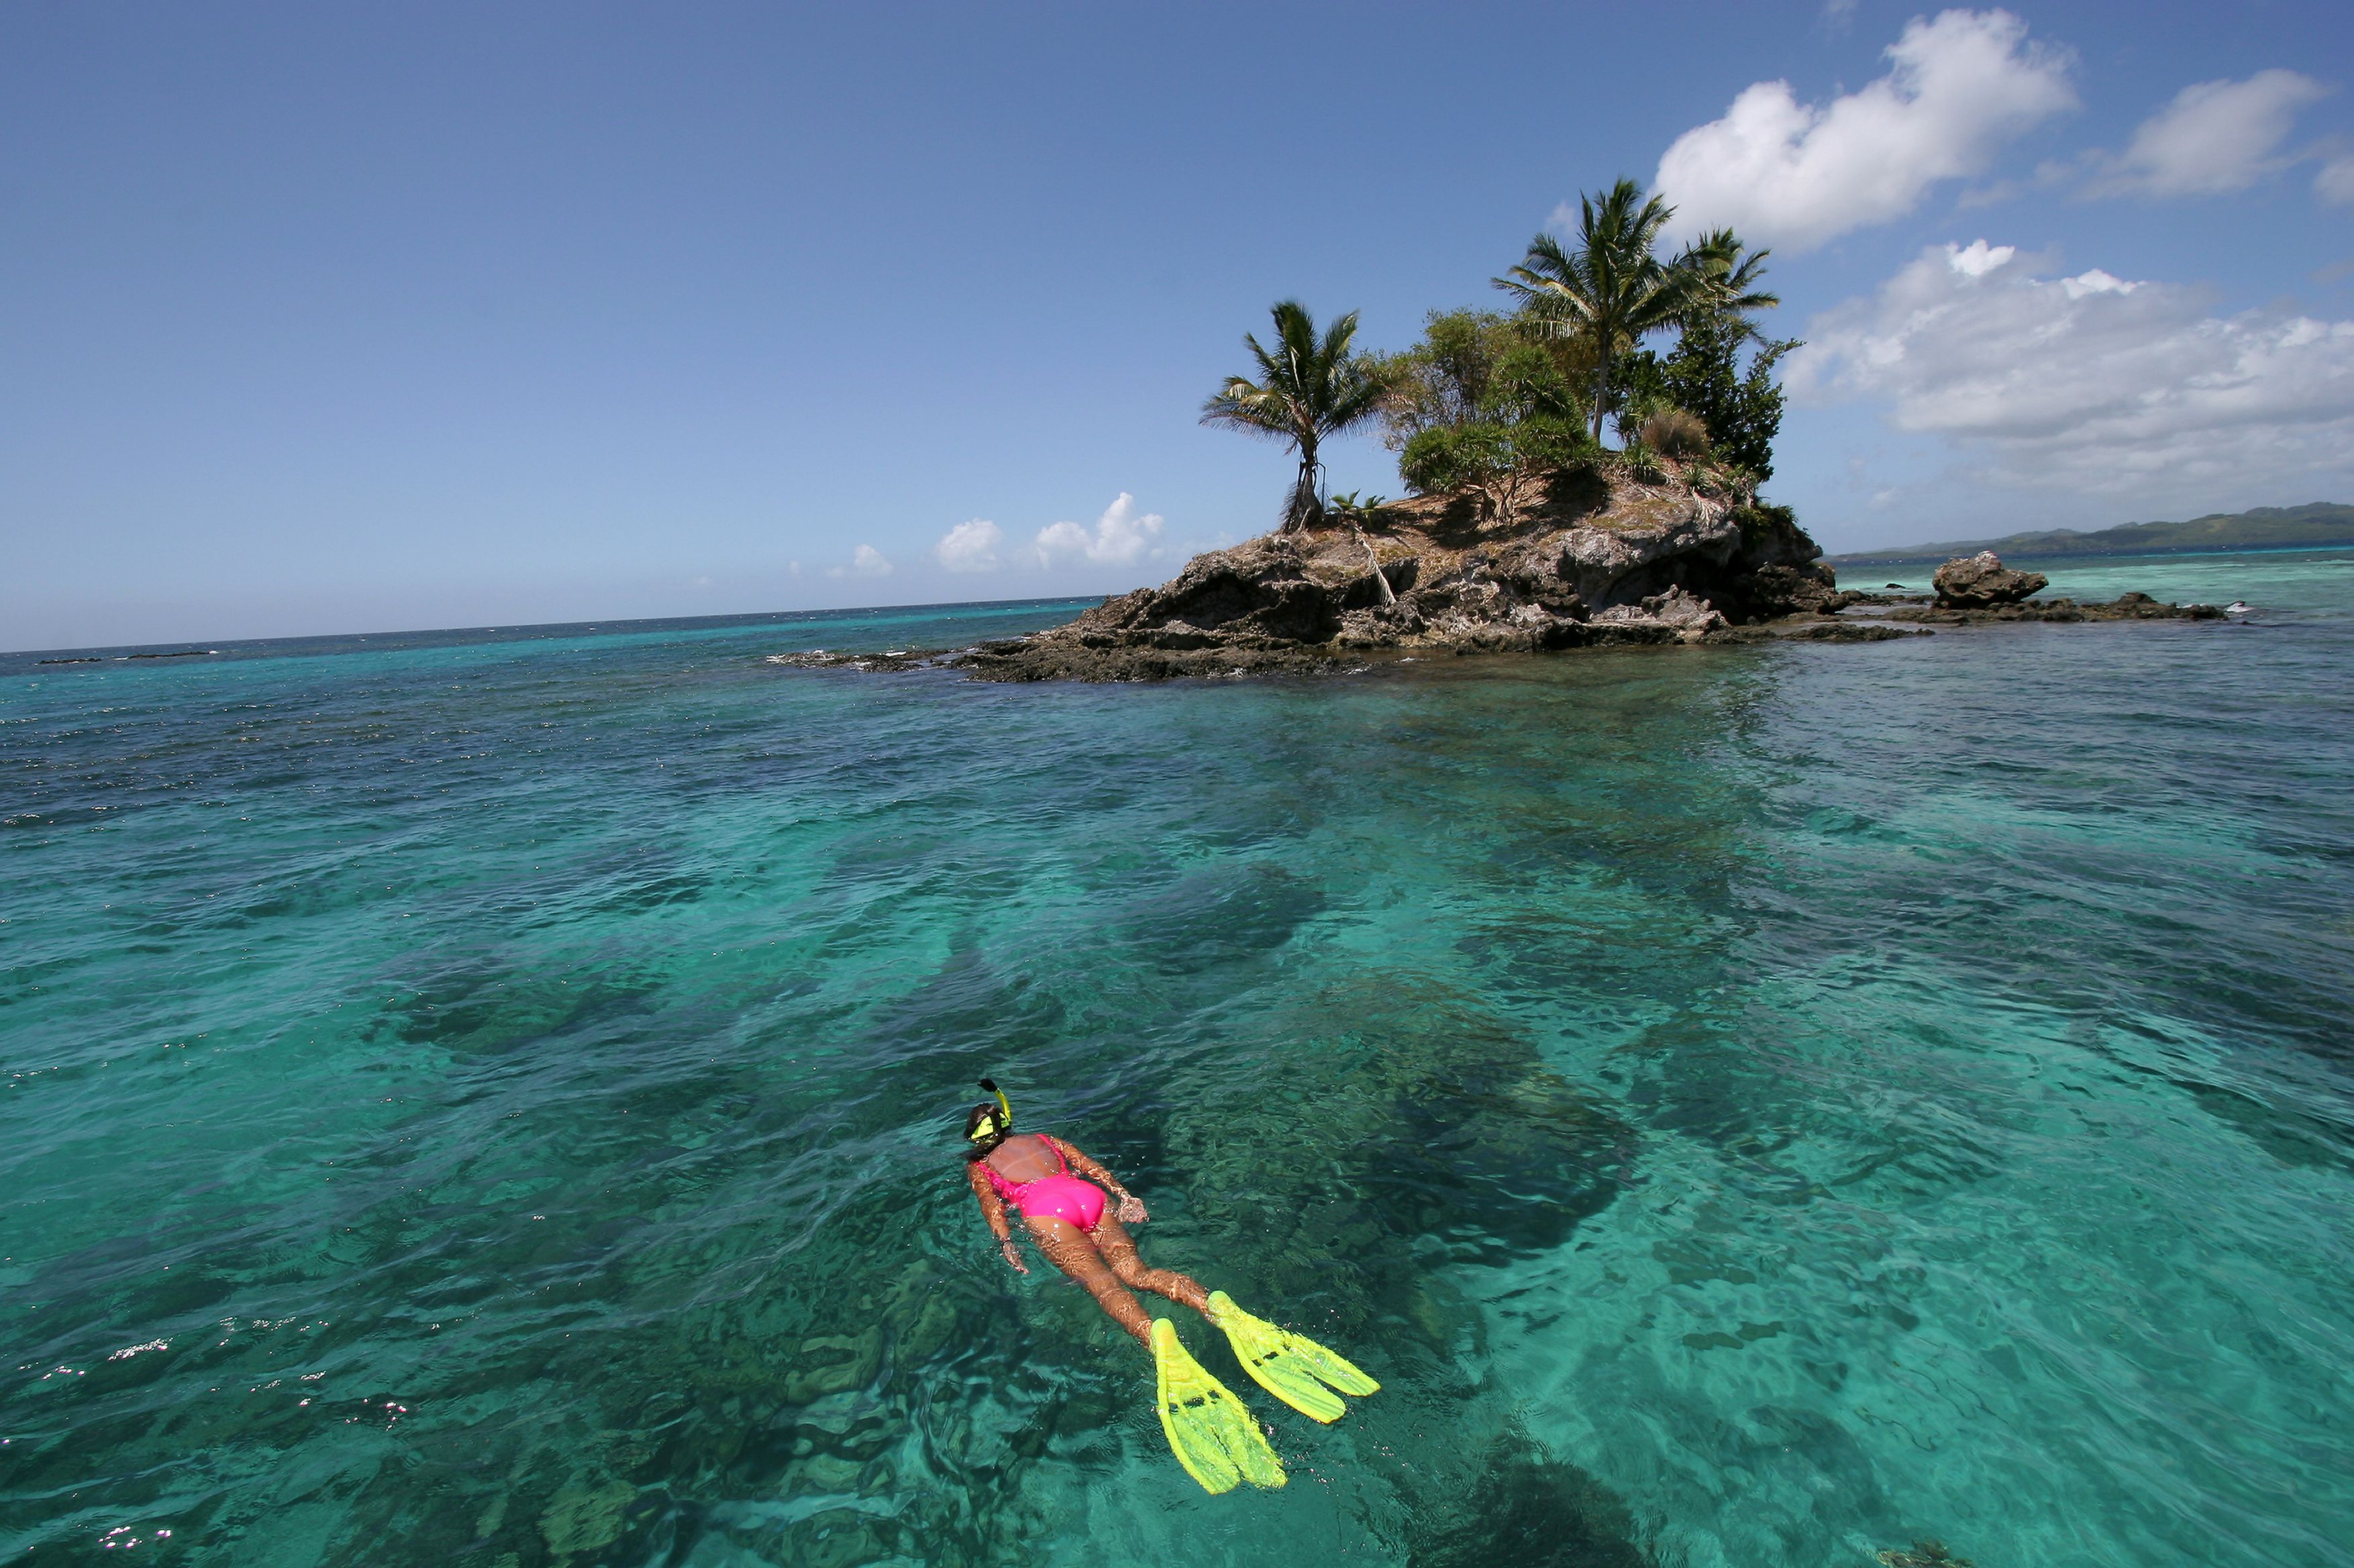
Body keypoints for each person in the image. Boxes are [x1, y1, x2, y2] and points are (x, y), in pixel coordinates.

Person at [961, 1080, 1378, 1494]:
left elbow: (993, 1210)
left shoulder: (979, 1167)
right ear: (1009, 1122)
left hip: (1045, 1212)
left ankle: (1157, 1338)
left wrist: (1007, 1245)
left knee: (1104, 1286)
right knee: (1137, 1273)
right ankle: (1212, 1306)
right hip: (1088, 1196)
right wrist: (1126, 1197)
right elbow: (1092, 1168)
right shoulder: (1045, 1139)